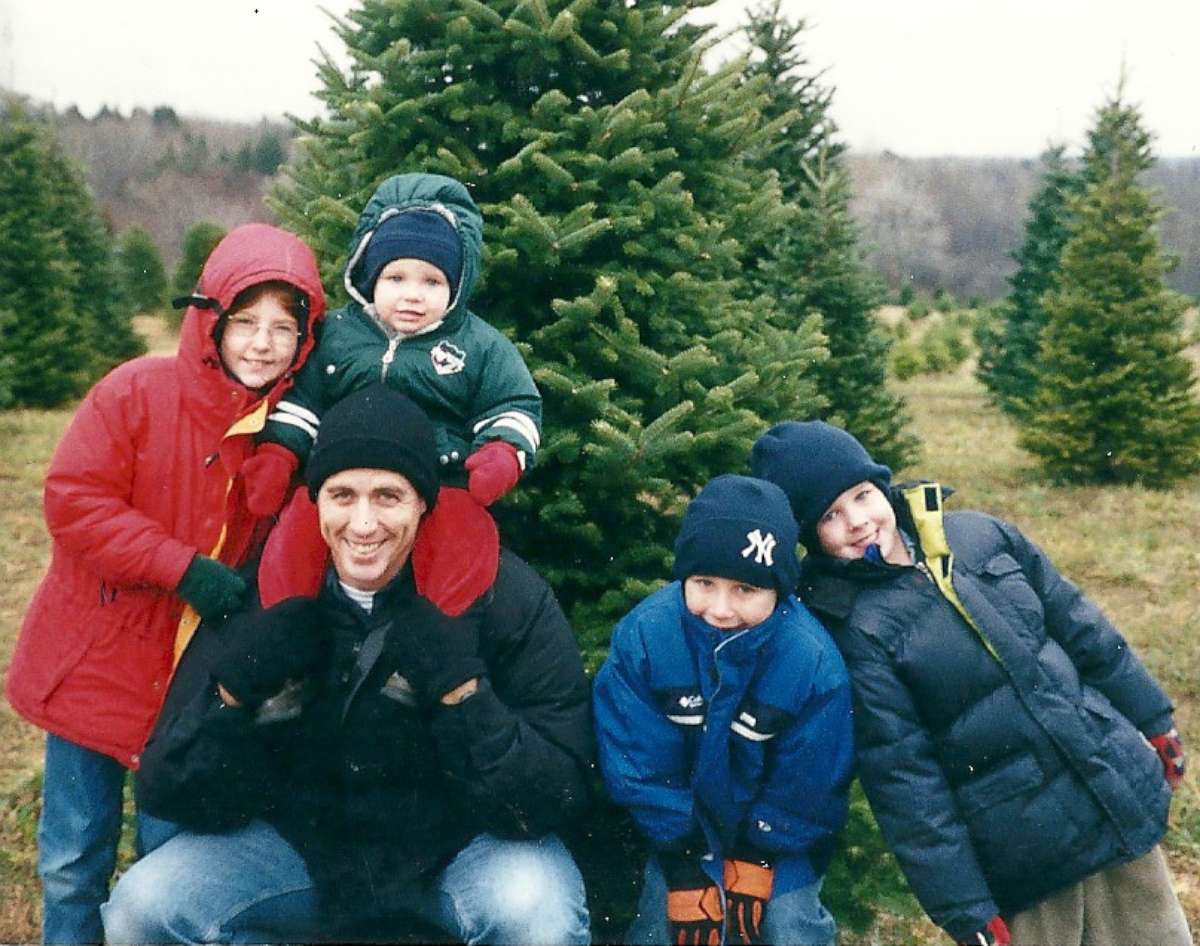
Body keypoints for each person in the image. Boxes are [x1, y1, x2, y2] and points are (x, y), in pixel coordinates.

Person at [102, 384, 593, 945]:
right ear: (315, 501)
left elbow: (560, 789)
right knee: (143, 907)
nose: (363, 525)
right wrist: (233, 694)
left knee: (537, 909)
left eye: (388, 496)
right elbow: (168, 788)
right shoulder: (270, 590)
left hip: (459, 850)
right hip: (303, 853)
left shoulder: (502, 595)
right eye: (342, 495)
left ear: (423, 504)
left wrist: (464, 692)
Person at [4, 224, 327, 944]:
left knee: (168, 860)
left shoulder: (288, 431)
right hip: (96, 664)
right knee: (70, 857)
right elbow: (74, 502)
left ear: (307, 340)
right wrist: (180, 568)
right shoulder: (135, 392)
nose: (262, 343)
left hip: (188, 688)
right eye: (245, 323)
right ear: (208, 318)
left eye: (284, 327)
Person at [751, 420, 1192, 946]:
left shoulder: (978, 535)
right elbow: (905, 780)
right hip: (1026, 854)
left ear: (882, 486)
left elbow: (1083, 628)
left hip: (1107, 792)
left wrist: (1153, 717)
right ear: (811, 536)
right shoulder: (854, 628)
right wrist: (963, 906)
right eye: (830, 515)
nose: (858, 522)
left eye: (862, 496)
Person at [246, 172, 542, 614]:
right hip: (341, 479)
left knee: (462, 537)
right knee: (296, 533)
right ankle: (288, 626)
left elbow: (513, 405)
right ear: (369, 278)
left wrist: (500, 453)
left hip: (440, 479)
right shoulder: (339, 335)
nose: (412, 296)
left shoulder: (477, 344)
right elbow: (304, 403)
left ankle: (436, 630)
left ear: (455, 289)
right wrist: (279, 455)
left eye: (432, 283)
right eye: (396, 278)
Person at [593, 474, 854, 946]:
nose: (719, 609)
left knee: (789, 924)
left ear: (779, 590)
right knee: (662, 924)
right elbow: (637, 761)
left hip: (776, 838)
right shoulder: (647, 638)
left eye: (745, 590)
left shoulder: (810, 660)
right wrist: (681, 861)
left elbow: (812, 776)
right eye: (704, 583)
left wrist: (760, 853)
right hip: (678, 834)